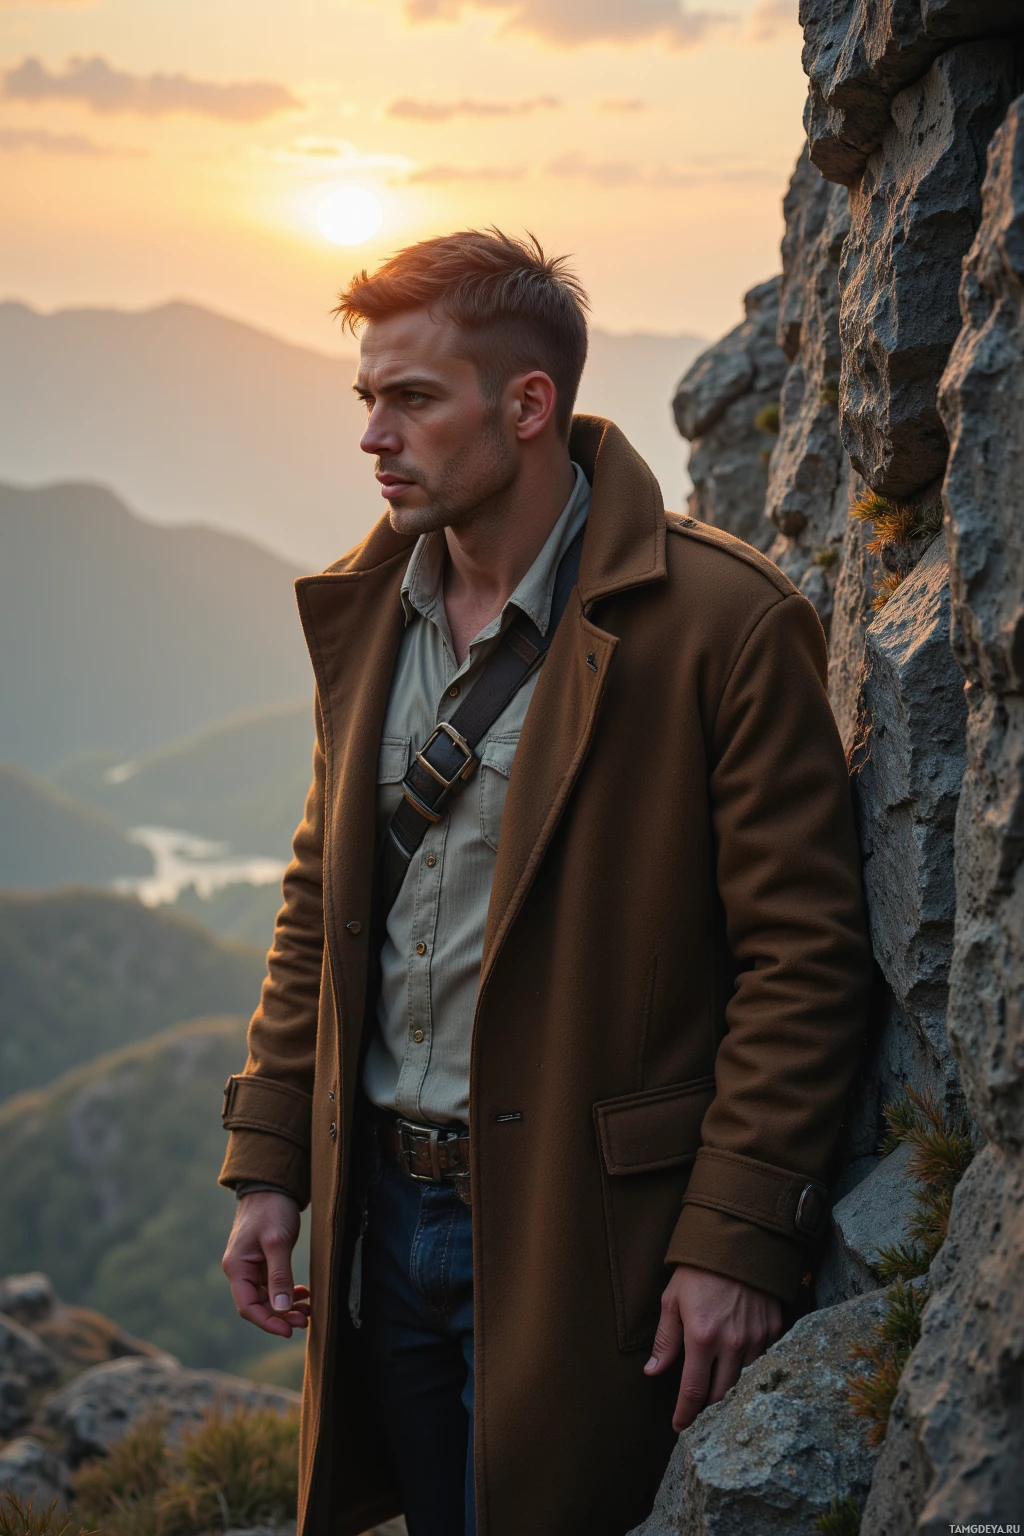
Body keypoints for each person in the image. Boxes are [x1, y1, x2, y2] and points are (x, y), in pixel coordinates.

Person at [219, 229, 870, 1536]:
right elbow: (321, 908)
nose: (372, 439)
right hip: (379, 1219)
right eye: (366, 400)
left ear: (528, 406)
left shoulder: (725, 625)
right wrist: (272, 1157)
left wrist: (735, 1239)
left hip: (593, 1239)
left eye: (411, 399)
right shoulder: (371, 611)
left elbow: (807, 962)